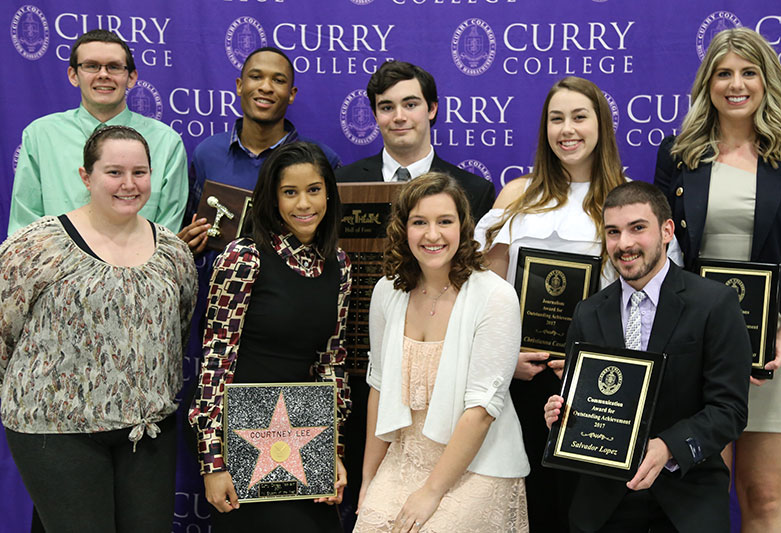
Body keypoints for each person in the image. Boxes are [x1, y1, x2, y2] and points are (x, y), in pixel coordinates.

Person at [653, 27, 781, 532]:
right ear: (707, 83)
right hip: (696, 350)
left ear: (767, 81)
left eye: (748, 72)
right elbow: (656, 256)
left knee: (762, 497)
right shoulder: (677, 155)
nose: (736, 84)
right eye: (723, 73)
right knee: (699, 498)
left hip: (778, 351)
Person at [0, 125, 197, 531]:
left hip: (148, 430)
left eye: (139, 172)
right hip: (55, 429)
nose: (129, 184)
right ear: (85, 176)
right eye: (114, 172)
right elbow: (5, 329)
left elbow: (175, 331)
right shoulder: (36, 247)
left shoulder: (174, 253)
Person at [544, 181, 752, 532]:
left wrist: (668, 448)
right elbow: (585, 403)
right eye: (613, 232)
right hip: (604, 503)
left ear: (666, 230)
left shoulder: (714, 304)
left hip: (687, 496)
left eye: (637, 228)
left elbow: (730, 410)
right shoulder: (588, 312)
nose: (624, 244)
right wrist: (562, 417)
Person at [472, 76, 625, 532]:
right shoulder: (517, 196)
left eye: (579, 117)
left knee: (582, 513)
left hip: (593, 385)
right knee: (527, 506)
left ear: (601, 124)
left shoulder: (624, 199)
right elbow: (484, 294)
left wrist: (593, 365)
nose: (567, 129)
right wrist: (505, 359)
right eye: (556, 119)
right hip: (521, 378)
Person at [188, 141, 351, 531]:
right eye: (289, 192)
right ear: (272, 198)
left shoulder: (339, 265)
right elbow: (215, 360)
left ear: (328, 191)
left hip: (307, 443)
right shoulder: (244, 257)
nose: (304, 204)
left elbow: (333, 363)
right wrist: (213, 463)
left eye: (313, 190)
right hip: (242, 444)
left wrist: (333, 449)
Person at [355, 172, 529, 532]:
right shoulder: (387, 292)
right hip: (402, 459)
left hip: (478, 465)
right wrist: (368, 480)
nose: (432, 235)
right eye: (419, 222)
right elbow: (378, 388)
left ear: (464, 228)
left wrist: (431, 492)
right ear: (403, 229)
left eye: (444, 222)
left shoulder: (495, 297)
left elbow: (481, 411)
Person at [8, 29, 188, 236]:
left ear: (131, 77)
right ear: (73, 75)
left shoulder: (166, 142)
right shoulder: (40, 135)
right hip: (57, 267)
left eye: (114, 67)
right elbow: (24, 228)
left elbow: (166, 235)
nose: (103, 74)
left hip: (139, 264)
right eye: (91, 66)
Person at [179, 46, 342, 255]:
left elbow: (334, 235)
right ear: (239, 85)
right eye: (256, 77)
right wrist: (189, 242)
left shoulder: (322, 160)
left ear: (291, 94)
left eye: (279, 80)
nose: (266, 87)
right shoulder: (207, 154)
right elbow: (191, 227)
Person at [335, 60, 495, 222]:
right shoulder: (340, 183)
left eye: (410, 105)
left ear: (432, 109)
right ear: (375, 115)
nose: (399, 117)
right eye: (387, 108)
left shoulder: (475, 191)